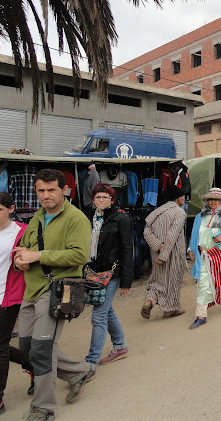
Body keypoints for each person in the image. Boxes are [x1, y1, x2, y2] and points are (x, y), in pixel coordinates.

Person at [13, 169, 94, 420]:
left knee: (42, 348)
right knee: (28, 347)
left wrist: (37, 256)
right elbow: (25, 247)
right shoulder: (37, 216)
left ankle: (43, 408)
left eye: (51, 190)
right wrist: (20, 260)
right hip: (32, 288)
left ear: (63, 190)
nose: (46, 195)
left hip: (58, 289)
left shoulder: (76, 218)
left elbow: (80, 255)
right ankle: (78, 372)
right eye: (41, 190)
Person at [84, 183, 132, 368]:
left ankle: (90, 362)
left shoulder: (121, 219)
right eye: (98, 196)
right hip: (93, 272)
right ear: (93, 198)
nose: (101, 200)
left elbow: (127, 249)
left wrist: (126, 280)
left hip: (112, 273)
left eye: (105, 197)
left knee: (98, 315)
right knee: (107, 309)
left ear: (112, 200)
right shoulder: (87, 217)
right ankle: (120, 346)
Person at [187, 188, 221, 328]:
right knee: (203, 284)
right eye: (210, 199)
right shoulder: (200, 216)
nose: (213, 202)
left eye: (216, 199)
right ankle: (201, 315)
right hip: (204, 255)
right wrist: (191, 249)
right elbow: (195, 233)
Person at [0, 192, 33, 415]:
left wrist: (24, 262)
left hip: (7, 296)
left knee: (0, 346)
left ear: (11, 209)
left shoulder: (21, 232)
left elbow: (27, 261)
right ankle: (32, 364)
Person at [142, 186, 187, 319]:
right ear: (179, 198)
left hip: (156, 251)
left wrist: (158, 246)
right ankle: (170, 310)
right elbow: (172, 235)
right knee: (172, 280)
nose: (184, 199)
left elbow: (146, 232)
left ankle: (149, 300)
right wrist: (164, 255)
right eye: (183, 197)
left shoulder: (156, 212)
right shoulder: (179, 213)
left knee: (157, 279)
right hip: (172, 253)